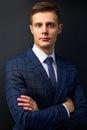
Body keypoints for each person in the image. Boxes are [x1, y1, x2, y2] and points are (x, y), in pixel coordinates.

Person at [5, 1, 87, 130]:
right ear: (31, 29)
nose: (44, 31)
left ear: (59, 28)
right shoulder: (14, 67)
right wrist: (66, 108)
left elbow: (82, 116)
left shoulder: (70, 68)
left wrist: (40, 115)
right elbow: (25, 120)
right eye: (38, 25)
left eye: (50, 25)